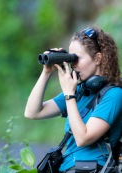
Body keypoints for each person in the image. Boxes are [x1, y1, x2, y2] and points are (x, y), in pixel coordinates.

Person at [24, 26, 122, 173]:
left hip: (92, 168)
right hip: (67, 168)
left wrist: (69, 95)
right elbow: (32, 112)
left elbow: (83, 138)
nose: (72, 64)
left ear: (98, 58)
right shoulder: (80, 91)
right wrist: (46, 73)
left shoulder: (114, 94)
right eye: (71, 58)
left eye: (77, 58)